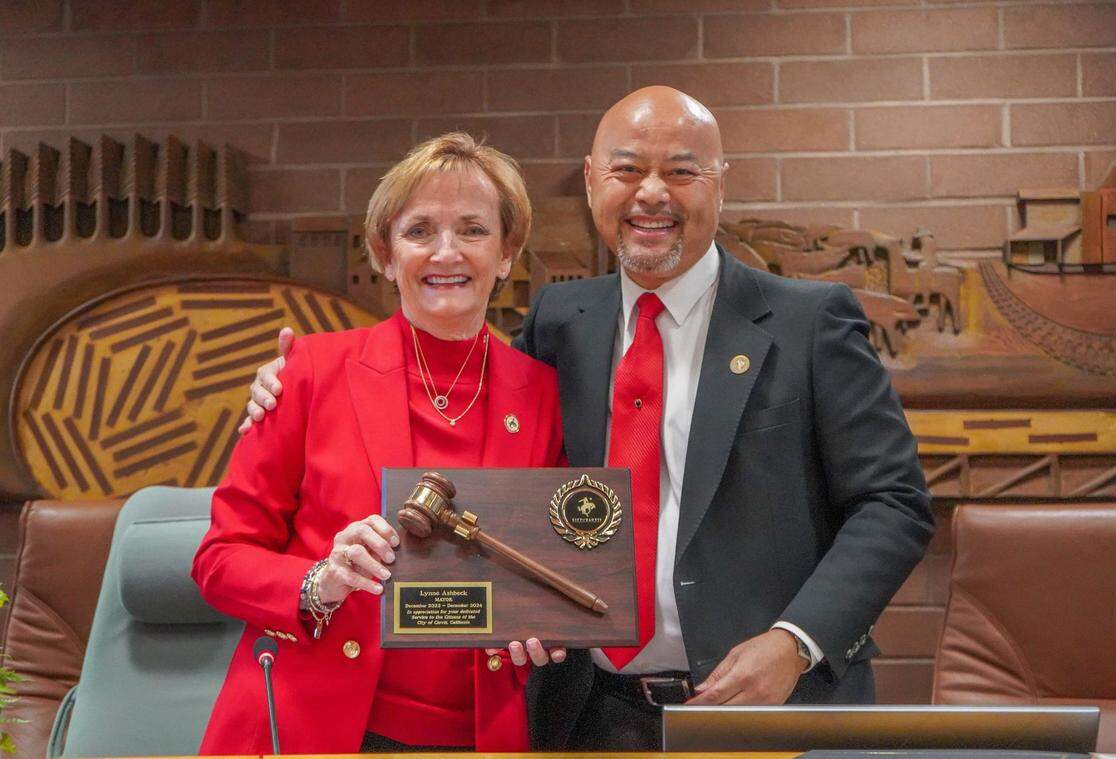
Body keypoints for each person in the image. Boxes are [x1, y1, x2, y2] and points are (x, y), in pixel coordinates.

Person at [242, 87, 935, 751]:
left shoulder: (810, 322)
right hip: (588, 715)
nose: (651, 193)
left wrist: (796, 641)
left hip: (770, 713)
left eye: (681, 171)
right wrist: (288, 385)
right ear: (591, 181)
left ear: (721, 183)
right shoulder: (560, 322)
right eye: (627, 170)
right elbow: (466, 405)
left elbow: (894, 502)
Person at [192, 132, 566, 756]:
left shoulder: (545, 396)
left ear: (507, 254)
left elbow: (553, 562)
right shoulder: (310, 372)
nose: (446, 252)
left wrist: (544, 627)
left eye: (473, 230)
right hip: (313, 724)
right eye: (419, 231)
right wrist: (319, 580)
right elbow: (219, 559)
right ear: (386, 255)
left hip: (478, 734)